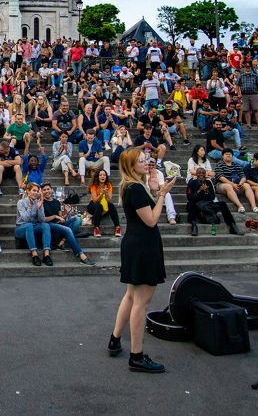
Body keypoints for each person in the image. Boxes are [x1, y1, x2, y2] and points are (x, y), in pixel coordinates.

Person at [108, 147, 171, 373]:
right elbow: (152, 220)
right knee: (141, 303)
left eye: (147, 159)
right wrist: (162, 193)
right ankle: (136, 355)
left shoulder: (133, 186)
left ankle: (115, 339)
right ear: (131, 166)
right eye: (142, 161)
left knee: (131, 295)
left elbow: (146, 213)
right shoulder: (135, 189)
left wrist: (154, 189)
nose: (147, 162)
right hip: (143, 246)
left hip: (136, 243)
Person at [42, 182, 95, 265]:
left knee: (77, 219)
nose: (46, 191)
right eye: (44, 190)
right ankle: (81, 255)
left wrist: (67, 212)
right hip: (49, 227)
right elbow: (42, 220)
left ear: (51, 190)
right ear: (41, 192)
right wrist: (55, 216)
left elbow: (61, 218)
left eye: (48, 189)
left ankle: (62, 241)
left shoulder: (56, 202)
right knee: (68, 230)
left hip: (59, 225)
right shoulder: (41, 203)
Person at [15, 182, 52, 265]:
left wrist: (39, 208)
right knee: (29, 225)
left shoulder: (38, 202)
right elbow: (25, 219)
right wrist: (30, 207)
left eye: (37, 191)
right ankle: (34, 255)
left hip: (34, 226)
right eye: (33, 190)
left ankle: (46, 255)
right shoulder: (21, 202)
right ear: (28, 191)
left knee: (45, 225)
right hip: (21, 228)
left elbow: (42, 220)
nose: (36, 193)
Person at [87, 168, 120, 237]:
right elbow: (95, 201)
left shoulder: (109, 185)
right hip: (93, 206)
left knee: (111, 205)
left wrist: (106, 193)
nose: (102, 176)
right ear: (97, 177)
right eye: (100, 175)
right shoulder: (94, 186)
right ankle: (96, 228)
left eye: (104, 175)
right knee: (99, 206)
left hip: (104, 205)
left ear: (106, 177)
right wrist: (102, 194)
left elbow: (109, 200)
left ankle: (117, 227)